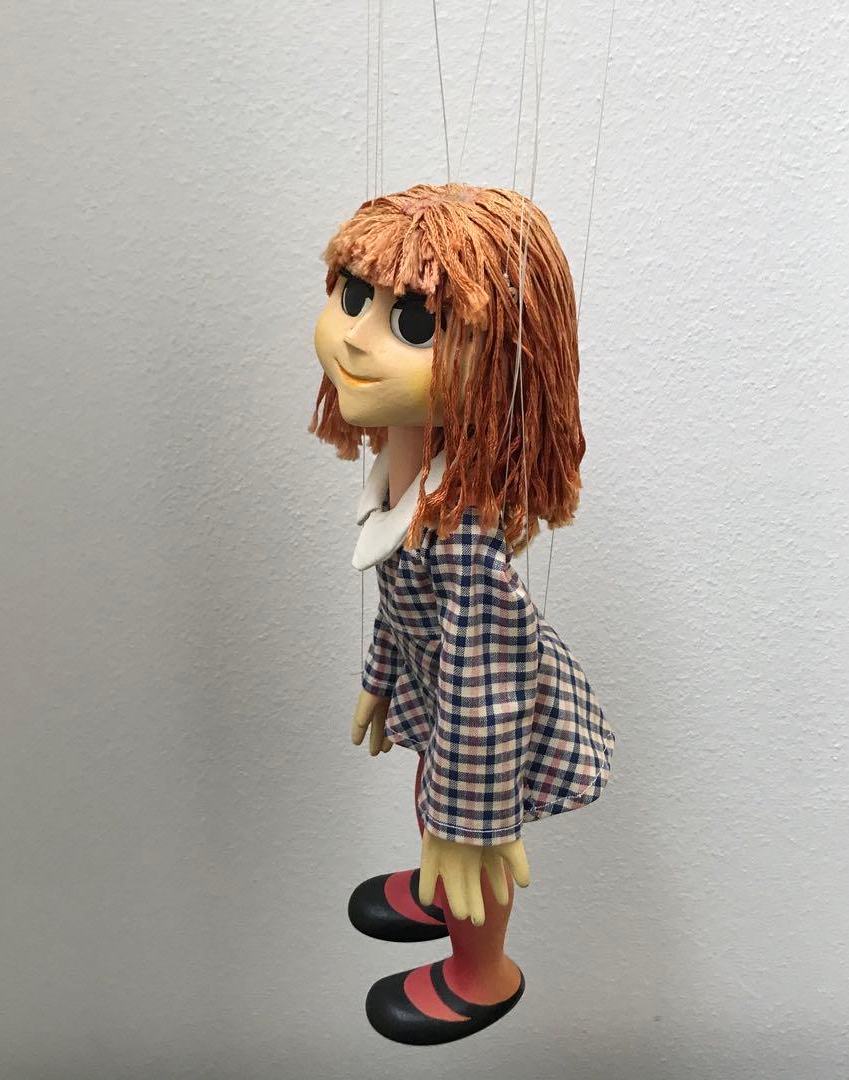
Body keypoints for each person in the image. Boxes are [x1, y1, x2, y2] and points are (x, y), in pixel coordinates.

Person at [309, 183, 614, 1045]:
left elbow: (490, 688)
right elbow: (400, 603)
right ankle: (436, 882)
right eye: (353, 297)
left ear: (507, 358)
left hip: (495, 720)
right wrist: (379, 679)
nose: (355, 337)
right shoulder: (405, 479)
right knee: (432, 802)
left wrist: (469, 821)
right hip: (447, 697)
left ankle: (483, 973)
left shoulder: (465, 537)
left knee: (474, 852)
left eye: (413, 324)